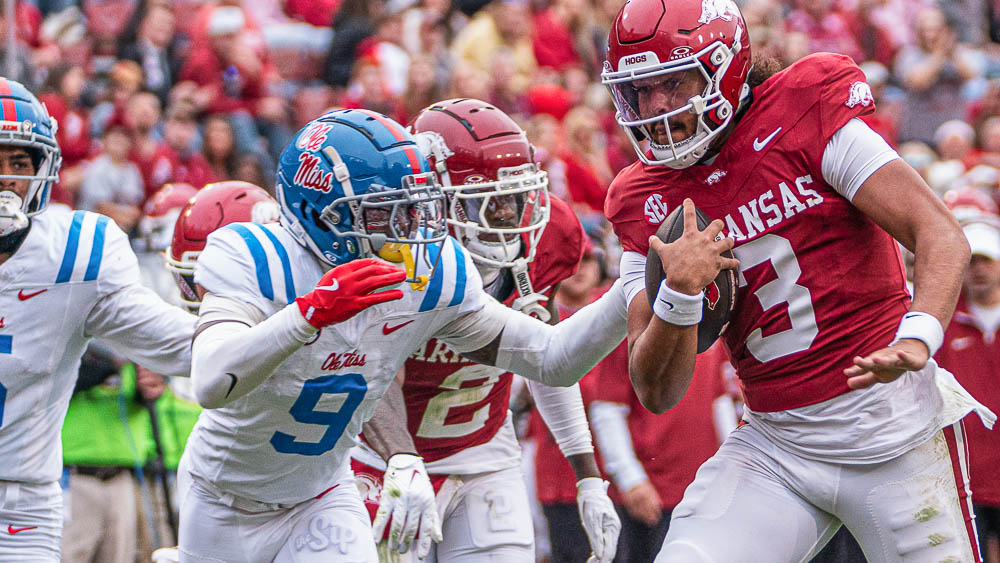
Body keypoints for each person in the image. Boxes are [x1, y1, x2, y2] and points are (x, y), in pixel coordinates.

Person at [599, 1, 994, 561]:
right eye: (639, 89)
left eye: (671, 81)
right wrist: (679, 295)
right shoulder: (644, 199)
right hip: (776, 444)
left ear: (724, 67)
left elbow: (939, 233)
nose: (655, 105)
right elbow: (656, 391)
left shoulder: (803, 109)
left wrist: (919, 336)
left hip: (893, 431)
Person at [178, 108, 627, 562]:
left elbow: (551, 359)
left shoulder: (434, 271)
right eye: (383, 212)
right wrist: (309, 314)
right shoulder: (256, 258)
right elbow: (212, 381)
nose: (408, 228)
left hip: (325, 493)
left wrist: (637, 286)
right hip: (223, 496)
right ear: (317, 213)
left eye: (414, 207)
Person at [350, 98, 620, 562]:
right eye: (488, 201)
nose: (509, 216)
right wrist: (400, 459)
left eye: (516, 196)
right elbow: (367, 375)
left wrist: (588, 474)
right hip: (380, 457)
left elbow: (546, 355)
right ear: (433, 197)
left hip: (484, 452)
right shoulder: (393, 248)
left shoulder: (547, 235)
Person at [0, 77, 196, 561]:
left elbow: (180, 345)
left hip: (19, 506)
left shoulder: (70, 255)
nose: (5, 177)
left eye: (19, 162)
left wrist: (288, 324)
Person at [935, 220, 1000, 563]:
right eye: (971, 261)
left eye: (986, 260)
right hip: (962, 472)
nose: (978, 270)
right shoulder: (943, 322)